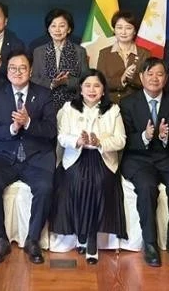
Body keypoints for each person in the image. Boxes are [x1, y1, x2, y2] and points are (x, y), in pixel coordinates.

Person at [0, 51, 56, 265]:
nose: (17, 72)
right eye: (13, 68)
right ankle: (0, 239)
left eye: (22, 67)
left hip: (37, 156)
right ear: (7, 71)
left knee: (45, 188)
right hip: (4, 156)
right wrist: (13, 128)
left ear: (30, 71)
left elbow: (52, 130)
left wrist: (29, 123)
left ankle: (33, 240)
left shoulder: (44, 95)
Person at [119, 57, 169, 267]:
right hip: (139, 159)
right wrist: (145, 137)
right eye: (149, 74)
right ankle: (150, 244)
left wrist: (167, 138)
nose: (154, 78)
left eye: (159, 74)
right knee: (147, 187)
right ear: (141, 77)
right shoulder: (127, 103)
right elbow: (123, 139)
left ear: (166, 78)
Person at [51, 69, 126, 264]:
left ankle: (90, 239)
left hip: (103, 159)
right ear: (81, 89)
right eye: (87, 85)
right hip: (76, 157)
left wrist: (100, 142)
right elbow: (61, 136)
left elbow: (121, 140)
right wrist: (78, 140)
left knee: (98, 183)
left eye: (97, 85)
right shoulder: (68, 108)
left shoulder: (113, 109)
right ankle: (81, 235)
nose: (92, 90)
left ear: (103, 90)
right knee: (77, 181)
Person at [31, 8, 89, 110]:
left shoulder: (80, 51)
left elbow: (86, 81)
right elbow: (34, 79)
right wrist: (52, 83)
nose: (57, 30)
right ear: (48, 29)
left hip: (72, 105)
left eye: (62, 26)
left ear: (69, 29)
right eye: (53, 26)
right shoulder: (38, 51)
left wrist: (67, 81)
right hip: (45, 104)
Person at [97, 10, 150, 103]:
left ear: (134, 31)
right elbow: (100, 81)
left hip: (136, 104)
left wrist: (133, 78)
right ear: (114, 30)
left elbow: (150, 82)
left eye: (128, 28)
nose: (123, 32)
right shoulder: (104, 53)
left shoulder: (144, 53)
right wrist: (122, 79)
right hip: (111, 104)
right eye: (119, 27)